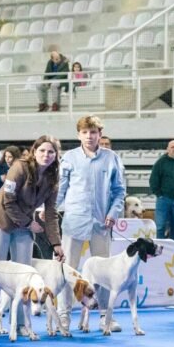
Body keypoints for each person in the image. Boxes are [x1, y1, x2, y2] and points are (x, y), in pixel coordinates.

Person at [57, 114, 125, 331]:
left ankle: (106, 316)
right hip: (73, 222)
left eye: (93, 132)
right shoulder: (69, 158)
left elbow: (119, 191)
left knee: (104, 272)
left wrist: (114, 212)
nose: (89, 136)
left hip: (102, 224)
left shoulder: (111, 158)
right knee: (67, 271)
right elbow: (60, 189)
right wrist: (46, 210)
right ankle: (63, 315)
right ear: (78, 135)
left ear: (100, 134)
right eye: (84, 132)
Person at [0, 135, 63, 265]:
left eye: (51, 152)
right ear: (34, 151)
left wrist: (56, 243)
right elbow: (8, 202)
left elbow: (51, 212)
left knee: (24, 267)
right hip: (1, 219)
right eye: (42, 150)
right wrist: (29, 224)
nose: (46, 155)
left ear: (56, 155)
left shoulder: (53, 177)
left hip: (23, 223)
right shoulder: (19, 167)